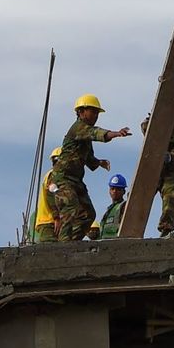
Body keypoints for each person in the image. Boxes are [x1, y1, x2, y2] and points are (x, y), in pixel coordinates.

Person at [48, 94, 131, 242]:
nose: (95, 116)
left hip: (76, 181)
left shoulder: (84, 135)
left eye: (97, 113)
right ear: (81, 112)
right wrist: (115, 134)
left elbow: (89, 158)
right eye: (93, 112)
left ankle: (72, 242)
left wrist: (99, 162)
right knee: (70, 206)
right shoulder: (78, 128)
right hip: (63, 178)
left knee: (88, 214)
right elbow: (96, 133)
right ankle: (63, 246)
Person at [141, 115, 174, 236]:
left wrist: (171, 156)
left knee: (170, 196)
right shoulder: (152, 123)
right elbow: (144, 128)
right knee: (139, 196)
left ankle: (166, 228)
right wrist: (154, 119)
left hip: (171, 170)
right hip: (152, 169)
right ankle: (128, 227)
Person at [94, 173, 129, 239]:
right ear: (109, 191)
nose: (115, 191)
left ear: (123, 191)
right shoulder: (109, 210)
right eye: (112, 188)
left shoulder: (124, 206)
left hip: (116, 244)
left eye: (118, 189)